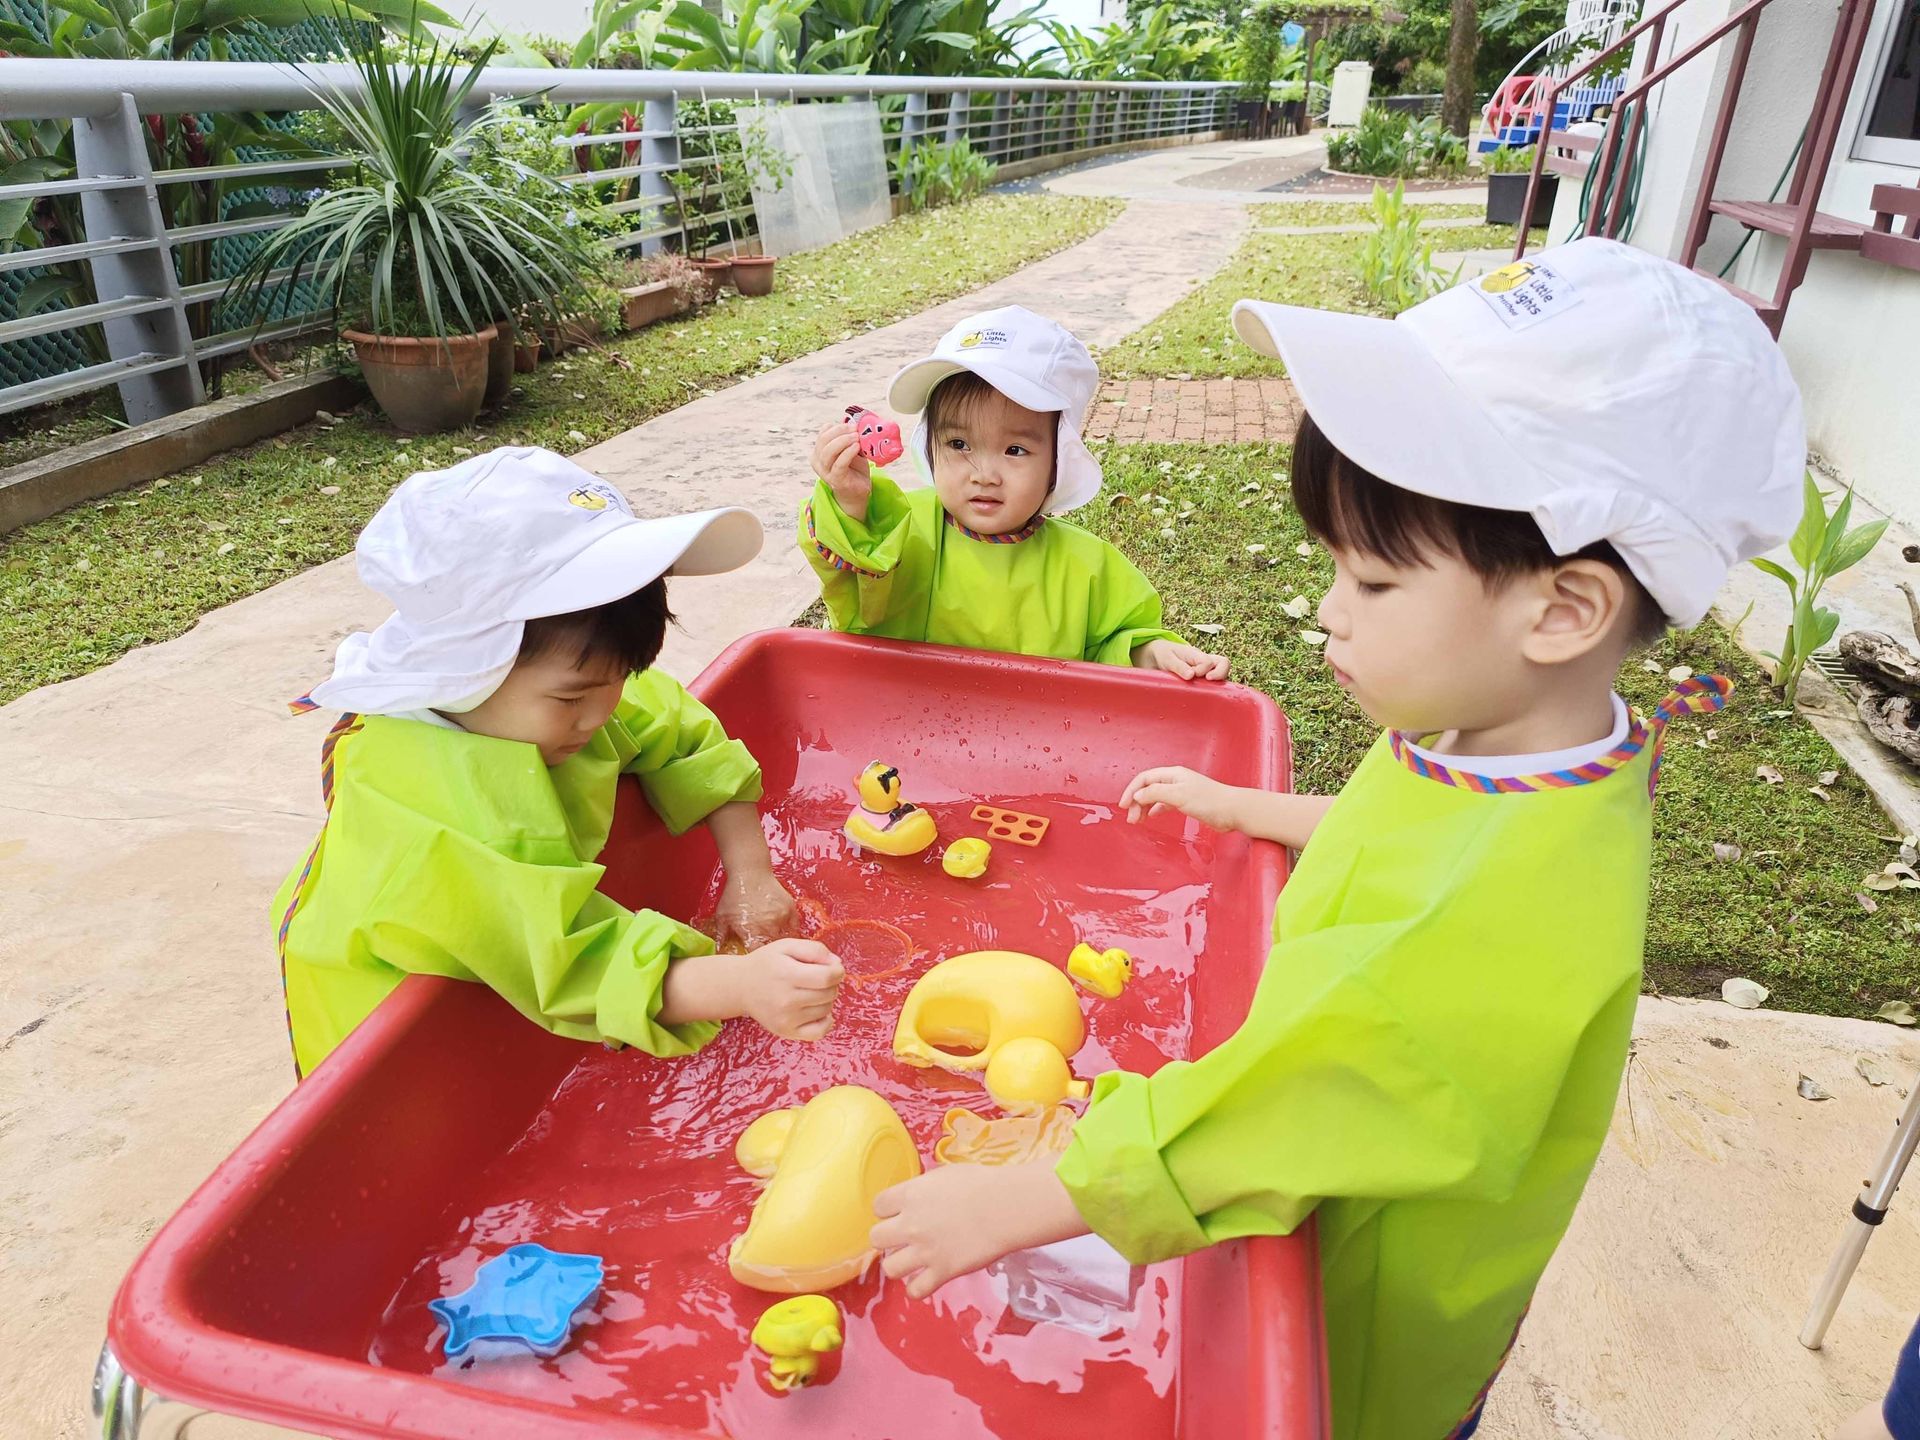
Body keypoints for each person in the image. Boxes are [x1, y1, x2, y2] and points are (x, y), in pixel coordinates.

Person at [870, 241, 1805, 1440]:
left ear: (1563, 609)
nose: (1325, 610)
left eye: (1368, 581)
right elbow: (1402, 830)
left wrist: (1026, 1202)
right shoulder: (1514, 736)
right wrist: (1247, 809)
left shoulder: (1497, 910)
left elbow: (1297, 1100)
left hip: (1366, 1311)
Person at [274, 446, 842, 1078]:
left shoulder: (559, 692)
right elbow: (573, 963)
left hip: (515, 949)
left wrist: (751, 874)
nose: (602, 714)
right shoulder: (437, 818)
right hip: (380, 1015)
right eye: (573, 697)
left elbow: (684, 735)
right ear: (466, 666)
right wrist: (741, 986)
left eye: (620, 679)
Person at [802, 304, 1229, 679]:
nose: (984, 474)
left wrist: (1151, 653)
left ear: (1059, 461)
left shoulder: (1088, 566)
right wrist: (851, 502)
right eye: (958, 444)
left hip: (1036, 745)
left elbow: (1117, 641)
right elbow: (855, 584)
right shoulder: (899, 529)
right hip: (910, 731)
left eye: (1015, 449)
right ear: (929, 444)